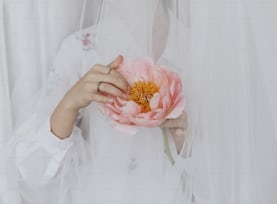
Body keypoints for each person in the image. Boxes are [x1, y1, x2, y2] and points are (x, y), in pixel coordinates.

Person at [6, 1, 203, 204]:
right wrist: (69, 105)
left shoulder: (199, 50)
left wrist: (185, 143)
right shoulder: (81, 50)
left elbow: (227, 180)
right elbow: (33, 172)